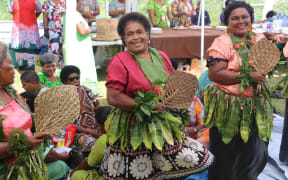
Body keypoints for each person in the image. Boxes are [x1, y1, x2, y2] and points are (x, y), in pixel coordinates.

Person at [102, 12, 213, 179]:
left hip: (163, 122)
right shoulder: (120, 60)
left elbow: (171, 83)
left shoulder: (160, 56)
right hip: (134, 126)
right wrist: (144, 106)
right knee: (139, 171)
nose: (135, 37)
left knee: (174, 166)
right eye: (129, 34)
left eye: (139, 32)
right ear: (123, 39)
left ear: (148, 34)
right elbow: (113, 97)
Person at [204, 2, 272, 180]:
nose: (240, 21)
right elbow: (215, 73)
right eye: (235, 18)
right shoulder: (221, 42)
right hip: (229, 107)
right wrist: (248, 76)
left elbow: (266, 64)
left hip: (254, 105)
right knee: (227, 154)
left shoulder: (258, 38)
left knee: (253, 151)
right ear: (227, 21)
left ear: (251, 19)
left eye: (244, 17)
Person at [0, 41, 70, 180]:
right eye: (8, 69)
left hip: (30, 156)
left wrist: (44, 127)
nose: (14, 71)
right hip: (9, 170)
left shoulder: (10, 92)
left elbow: (26, 118)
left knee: (61, 167)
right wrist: (26, 143)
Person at [60, 65, 101, 156]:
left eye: (77, 78)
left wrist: (100, 127)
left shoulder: (86, 90)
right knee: (91, 143)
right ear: (65, 82)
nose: (75, 81)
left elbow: (99, 108)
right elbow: (66, 124)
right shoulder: (61, 98)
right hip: (76, 133)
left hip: (96, 128)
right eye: (71, 79)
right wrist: (87, 131)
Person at [63, 0, 99, 95]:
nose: (81, 5)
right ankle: (89, 91)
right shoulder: (75, 15)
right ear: (76, 3)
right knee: (84, 70)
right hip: (80, 48)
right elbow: (82, 31)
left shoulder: (67, 15)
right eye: (79, 3)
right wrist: (93, 29)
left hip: (73, 47)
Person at [70, 106, 112, 180]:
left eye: (98, 126)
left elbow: (89, 163)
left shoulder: (104, 140)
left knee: (76, 175)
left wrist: (74, 171)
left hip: (110, 176)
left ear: (104, 126)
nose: (98, 129)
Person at [8, 0, 42, 69]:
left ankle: (33, 65)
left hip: (31, 28)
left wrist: (32, 17)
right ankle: (19, 65)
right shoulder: (12, 1)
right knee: (18, 46)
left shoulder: (35, 0)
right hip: (19, 28)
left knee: (33, 45)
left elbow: (39, 10)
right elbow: (10, 10)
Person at [42, 0, 66, 65]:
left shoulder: (64, 1)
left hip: (64, 28)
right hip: (53, 29)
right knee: (54, 47)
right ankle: (53, 65)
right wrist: (46, 29)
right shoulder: (46, 2)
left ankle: (63, 65)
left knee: (63, 46)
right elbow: (45, 16)